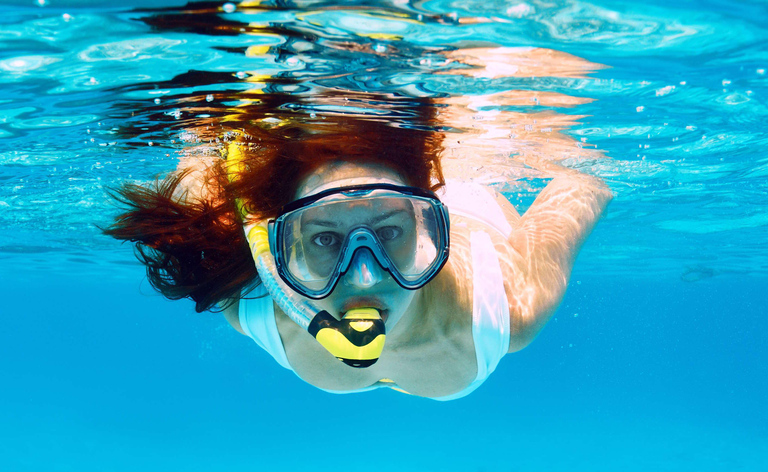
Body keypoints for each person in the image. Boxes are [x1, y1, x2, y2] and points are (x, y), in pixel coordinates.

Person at [105, 88, 612, 401]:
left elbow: (585, 183)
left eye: (391, 233)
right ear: (282, 248)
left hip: (462, 200)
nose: (366, 277)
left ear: (432, 230)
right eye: (326, 238)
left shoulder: (503, 302)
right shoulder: (257, 299)